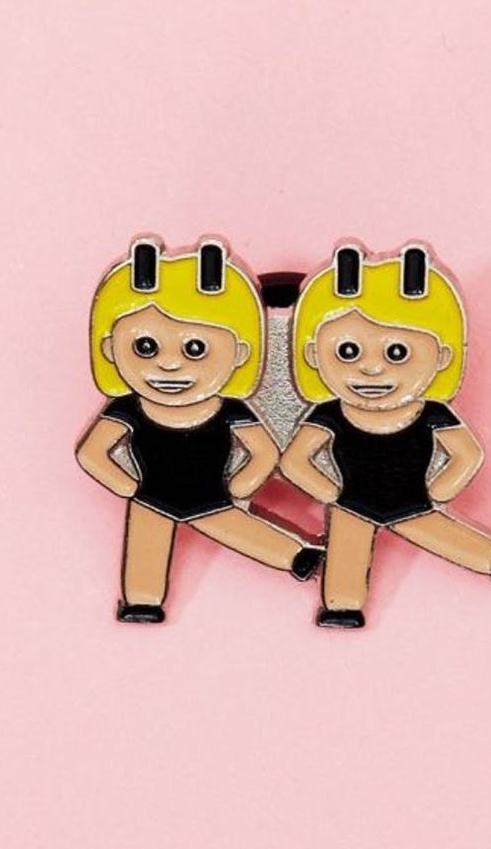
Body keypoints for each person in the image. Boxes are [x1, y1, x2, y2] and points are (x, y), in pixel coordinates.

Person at [76, 236, 323, 623]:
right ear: (110, 348)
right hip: (151, 497)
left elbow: (262, 450)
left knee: (234, 528)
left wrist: (240, 486)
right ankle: (142, 601)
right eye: (145, 347)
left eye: (195, 349)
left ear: (240, 353)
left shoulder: (230, 409)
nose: (169, 364)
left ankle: (299, 556)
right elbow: (92, 452)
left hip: (211, 494)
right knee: (147, 548)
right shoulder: (128, 408)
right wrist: (130, 487)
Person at [280, 242, 491, 629]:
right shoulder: (329, 414)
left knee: (438, 532)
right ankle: (342, 606)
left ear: (442, 357)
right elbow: (296, 461)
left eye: (397, 353)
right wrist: (330, 493)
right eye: (348, 351)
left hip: (413, 500)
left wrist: (438, 492)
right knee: (346, 554)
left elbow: (467, 454)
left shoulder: (432, 413)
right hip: (351, 503)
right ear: (312, 354)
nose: (371, 368)